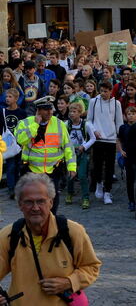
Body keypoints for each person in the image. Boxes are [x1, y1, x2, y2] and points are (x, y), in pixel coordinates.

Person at [0, 173, 101, 306]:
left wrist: (69, 282)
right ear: (20, 205)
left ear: (51, 202)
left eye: (41, 201)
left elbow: (91, 267)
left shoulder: (72, 232)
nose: (35, 208)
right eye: (29, 202)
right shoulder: (9, 235)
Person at [15, 96, 77, 215]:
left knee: (52, 200)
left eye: (51, 109)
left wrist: (71, 167)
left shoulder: (59, 124)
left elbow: (68, 147)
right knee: (33, 200)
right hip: (32, 170)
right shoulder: (25, 123)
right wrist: (35, 125)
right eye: (46, 109)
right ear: (38, 111)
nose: (50, 112)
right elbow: (20, 140)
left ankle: (51, 224)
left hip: (53, 170)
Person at [87, 82, 124, 205]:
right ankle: (98, 183)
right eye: (101, 91)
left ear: (110, 91)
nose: (103, 93)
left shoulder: (116, 103)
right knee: (97, 165)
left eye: (106, 91)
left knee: (109, 167)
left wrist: (120, 136)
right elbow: (88, 121)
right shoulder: (94, 102)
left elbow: (119, 122)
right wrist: (94, 130)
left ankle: (107, 192)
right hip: (98, 138)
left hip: (111, 139)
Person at [65, 101, 96, 210]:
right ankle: (70, 193)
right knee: (70, 175)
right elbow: (63, 138)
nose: (72, 114)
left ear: (80, 113)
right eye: (70, 111)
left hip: (82, 153)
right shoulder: (66, 124)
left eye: (74, 112)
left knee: (82, 175)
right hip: (71, 153)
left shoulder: (86, 124)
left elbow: (93, 138)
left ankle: (86, 198)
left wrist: (85, 147)